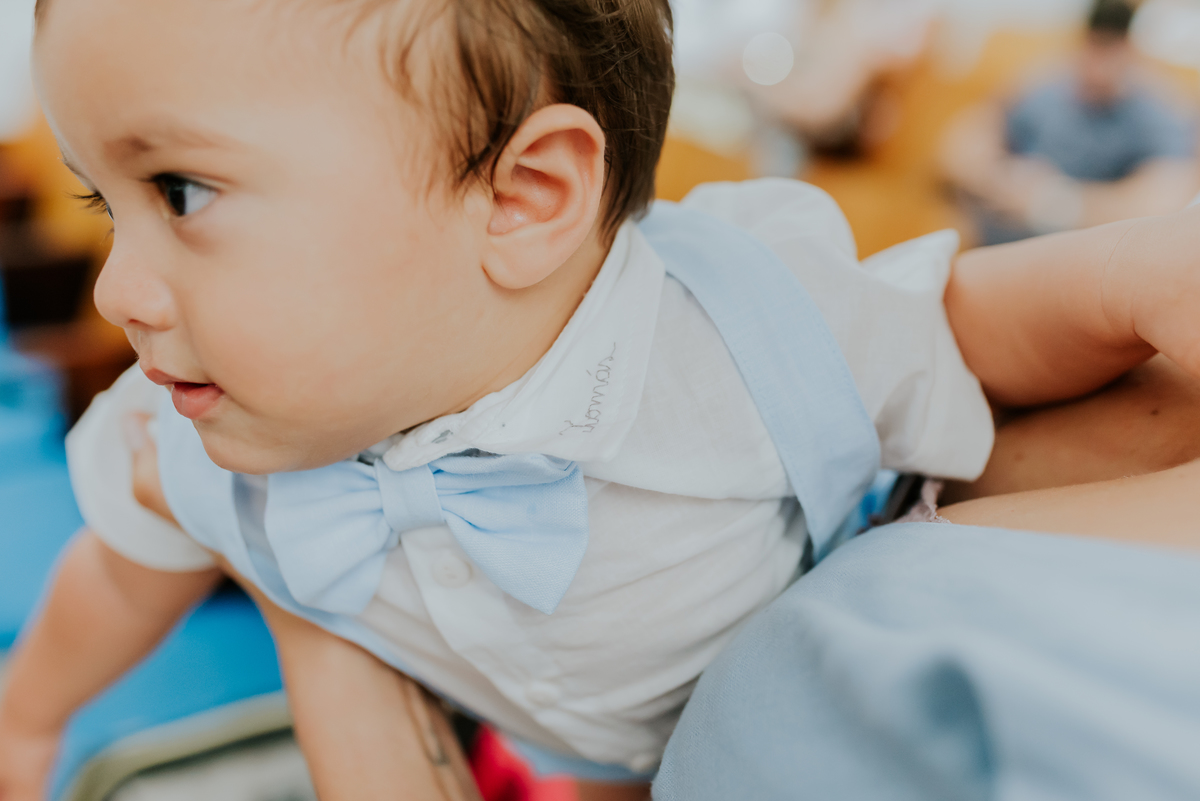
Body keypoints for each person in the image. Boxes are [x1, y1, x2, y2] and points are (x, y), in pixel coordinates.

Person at [6, 1, 1200, 800]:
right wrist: (28, 717)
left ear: (523, 196)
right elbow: (121, 565)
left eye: (183, 192)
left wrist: (1126, 281)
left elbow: (967, 332)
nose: (118, 288)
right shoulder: (203, 437)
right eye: (107, 202)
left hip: (803, 665)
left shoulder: (739, 323)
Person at [941, 0, 1199, 245]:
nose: (1099, 66)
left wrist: (1056, 203)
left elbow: (1166, 201)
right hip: (994, 235)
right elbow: (963, 142)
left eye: (1112, 50)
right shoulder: (1045, 82)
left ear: (1132, 52)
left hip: (1073, 252)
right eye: (1094, 46)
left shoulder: (1158, 111)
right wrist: (998, 177)